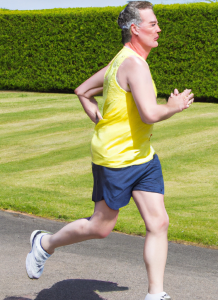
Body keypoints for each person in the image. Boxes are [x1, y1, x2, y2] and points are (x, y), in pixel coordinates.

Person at [25, 2, 194, 300]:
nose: (159, 29)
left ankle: (156, 294)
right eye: (152, 24)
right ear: (135, 29)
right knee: (101, 227)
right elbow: (149, 114)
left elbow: (81, 89)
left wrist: (88, 102)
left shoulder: (124, 59)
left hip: (142, 156)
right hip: (116, 159)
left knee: (159, 222)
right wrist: (174, 106)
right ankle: (45, 243)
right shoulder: (133, 64)